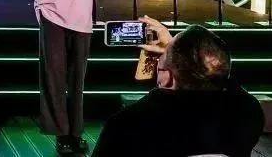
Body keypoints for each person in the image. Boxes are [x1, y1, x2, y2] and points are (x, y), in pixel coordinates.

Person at [92, 17, 264, 157]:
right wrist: (176, 55)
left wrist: (170, 57)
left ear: (166, 78)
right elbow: (222, 79)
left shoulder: (126, 125)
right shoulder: (247, 113)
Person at [29, 0, 113, 155]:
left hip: (80, 17)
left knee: (77, 80)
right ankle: (61, 134)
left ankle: (75, 133)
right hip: (52, 13)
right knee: (54, 76)